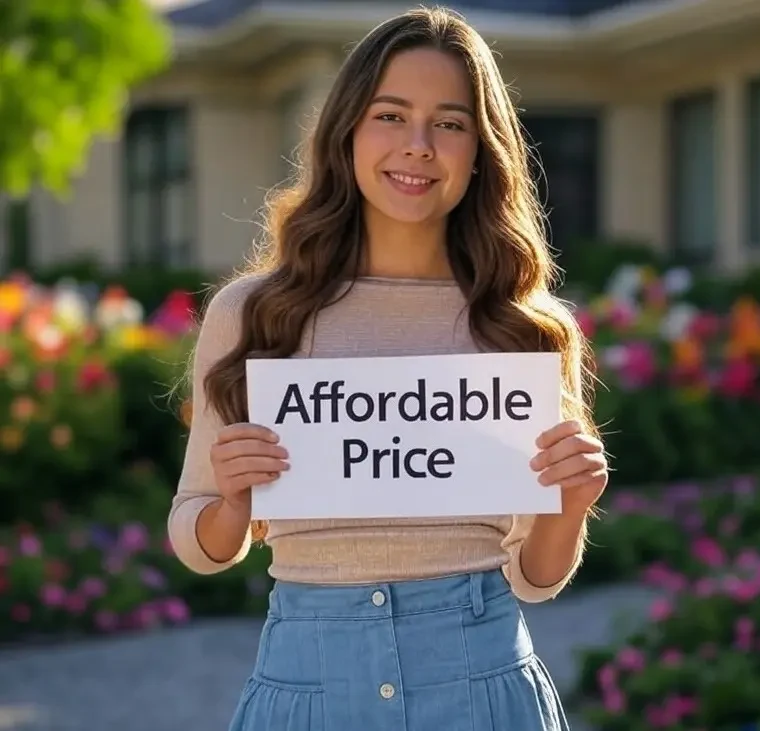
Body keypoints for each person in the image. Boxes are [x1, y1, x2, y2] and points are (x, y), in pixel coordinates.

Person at [167, 6, 608, 731]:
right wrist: (234, 506)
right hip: (306, 684)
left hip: (484, 685)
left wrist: (572, 503)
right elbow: (198, 538)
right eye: (391, 115)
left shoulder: (529, 329)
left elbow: (537, 574)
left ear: (480, 150)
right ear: (347, 132)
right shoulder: (255, 314)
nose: (419, 145)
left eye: (450, 123)